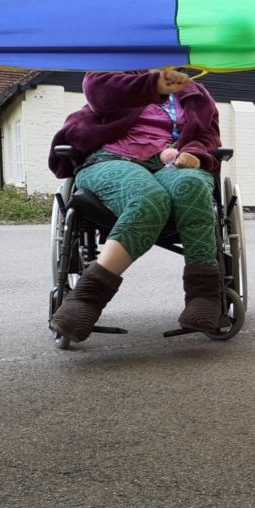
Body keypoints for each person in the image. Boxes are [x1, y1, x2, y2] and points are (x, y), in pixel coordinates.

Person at [47, 68, 223, 342]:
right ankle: (87, 298)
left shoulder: (196, 93)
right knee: (149, 198)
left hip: (170, 161)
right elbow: (97, 91)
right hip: (113, 159)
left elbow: (208, 135)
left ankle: (204, 296)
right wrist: (153, 84)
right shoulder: (120, 77)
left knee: (194, 184)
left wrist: (195, 154)